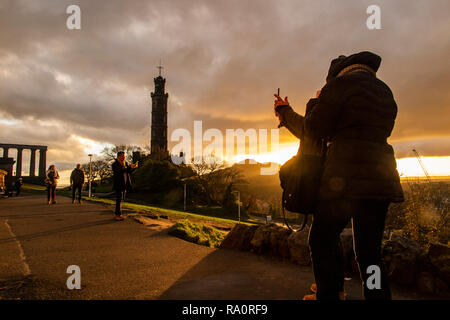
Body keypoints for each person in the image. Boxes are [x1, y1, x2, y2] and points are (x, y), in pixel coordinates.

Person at [274, 51, 404, 300]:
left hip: (344, 180)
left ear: (336, 73)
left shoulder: (340, 85)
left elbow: (312, 130)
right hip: (381, 179)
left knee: (322, 238)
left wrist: (285, 112)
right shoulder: (384, 91)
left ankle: (330, 293)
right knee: (369, 253)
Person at [112, 151, 138, 221]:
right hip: (118, 184)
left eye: (124, 156)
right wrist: (129, 167)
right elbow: (120, 170)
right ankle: (118, 215)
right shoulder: (115, 164)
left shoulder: (125, 163)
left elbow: (128, 172)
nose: (124, 157)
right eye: (122, 156)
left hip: (125, 184)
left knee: (121, 199)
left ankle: (119, 214)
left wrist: (134, 168)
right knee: (119, 199)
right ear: (119, 156)